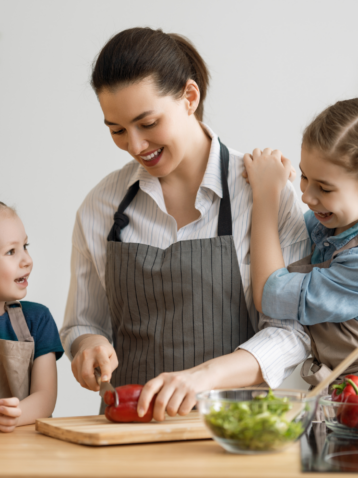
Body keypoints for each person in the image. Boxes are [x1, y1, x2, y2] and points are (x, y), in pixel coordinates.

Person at [60, 27, 311, 421]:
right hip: (130, 433)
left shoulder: (263, 192)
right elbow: (83, 321)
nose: (136, 146)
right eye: (117, 130)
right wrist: (87, 343)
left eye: (148, 123)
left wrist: (202, 377)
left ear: (189, 97)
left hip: (234, 432)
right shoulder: (101, 206)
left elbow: (292, 332)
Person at [243, 98, 358, 390]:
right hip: (334, 397)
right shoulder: (326, 225)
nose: (306, 195)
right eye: (305, 176)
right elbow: (287, 234)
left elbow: (269, 294)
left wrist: (267, 195)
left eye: (325, 188)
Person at [0, 202, 64, 432]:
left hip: (28, 449)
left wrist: (11, 417)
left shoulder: (37, 320)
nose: (27, 260)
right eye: (11, 251)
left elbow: (45, 397)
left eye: (25, 246)